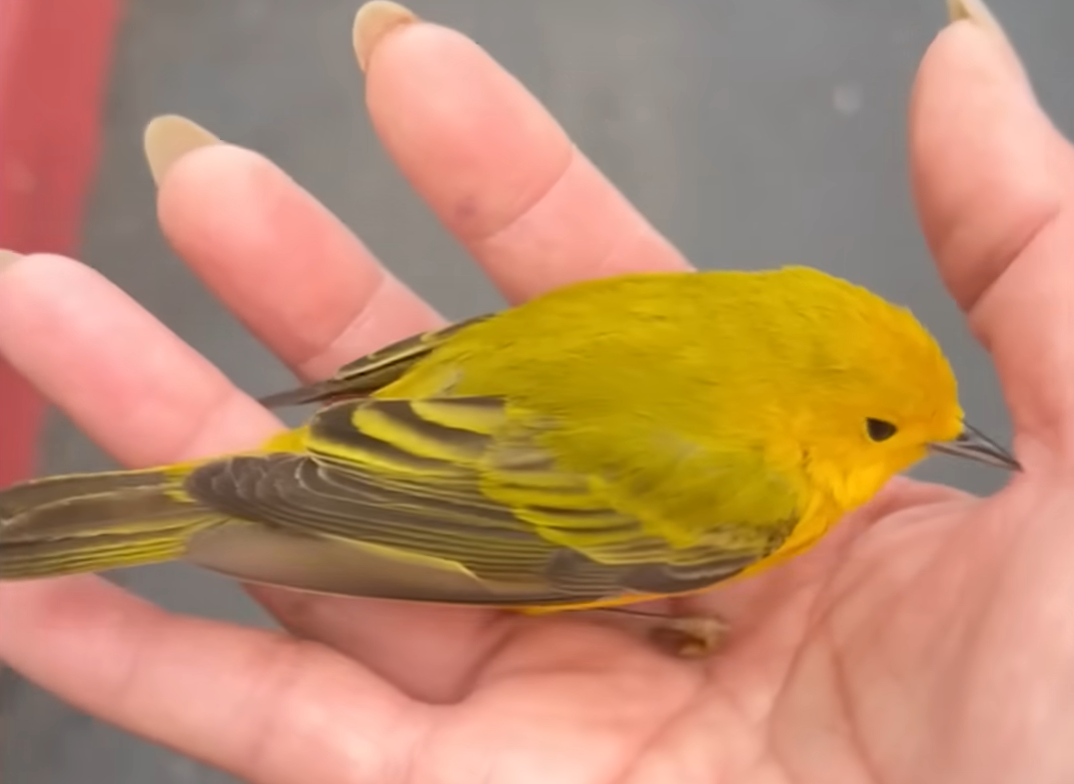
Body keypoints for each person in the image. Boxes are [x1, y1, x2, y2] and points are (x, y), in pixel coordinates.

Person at [1, 1, 1070, 781]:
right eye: (885, 430)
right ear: (810, 416)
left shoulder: (727, 312)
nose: (930, 443)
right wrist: (306, 500)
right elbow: (521, 542)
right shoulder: (756, 498)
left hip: (437, 393)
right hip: (448, 489)